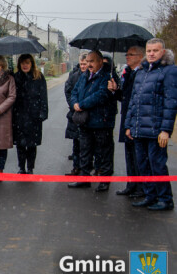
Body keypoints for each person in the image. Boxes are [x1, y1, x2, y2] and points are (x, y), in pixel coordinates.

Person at [126, 38, 176, 211]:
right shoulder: (141, 72)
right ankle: (150, 195)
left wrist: (165, 130)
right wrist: (129, 124)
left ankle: (165, 199)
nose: (152, 54)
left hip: (156, 130)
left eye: (155, 50)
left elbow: (171, 102)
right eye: (149, 51)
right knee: (143, 165)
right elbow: (134, 101)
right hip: (139, 128)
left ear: (163, 52)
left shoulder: (169, 71)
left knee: (158, 165)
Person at [69, 50, 117, 192]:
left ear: (100, 61)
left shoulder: (108, 76)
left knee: (104, 151)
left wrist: (82, 104)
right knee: (85, 150)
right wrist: (74, 103)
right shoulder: (84, 76)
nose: (89, 64)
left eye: (92, 61)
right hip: (86, 121)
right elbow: (74, 91)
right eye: (87, 61)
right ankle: (84, 178)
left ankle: (104, 180)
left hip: (102, 121)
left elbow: (102, 95)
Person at [108, 46, 145, 198]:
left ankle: (141, 188)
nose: (127, 57)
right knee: (129, 155)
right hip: (127, 117)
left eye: (131, 54)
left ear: (140, 56)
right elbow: (125, 97)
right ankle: (131, 185)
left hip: (137, 120)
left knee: (138, 157)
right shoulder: (129, 73)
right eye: (127, 54)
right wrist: (115, 91)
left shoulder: (142, 74)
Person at [13, 54, 48, 174]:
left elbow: (43, 96)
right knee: (20, 144)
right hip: (19, 115)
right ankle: (21, 167)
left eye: (27, 63)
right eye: (22, 63)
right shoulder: (16, 77)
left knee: (32, 144)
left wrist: (43, 112)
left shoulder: (38, 77)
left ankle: (30, 167)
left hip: (34, 115)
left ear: (31, 64)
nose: (25, 65)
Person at [64, 53, 88, 175]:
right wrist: (73, 104)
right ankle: (76, 167)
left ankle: (86, 168)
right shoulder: (74, 76)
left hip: (88, 115)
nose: (83, 66)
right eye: (81, 64)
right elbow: (68, 91)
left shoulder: (91, 77)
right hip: (75, 114)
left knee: (86, 144)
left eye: (85, 64)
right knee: (76, 143)